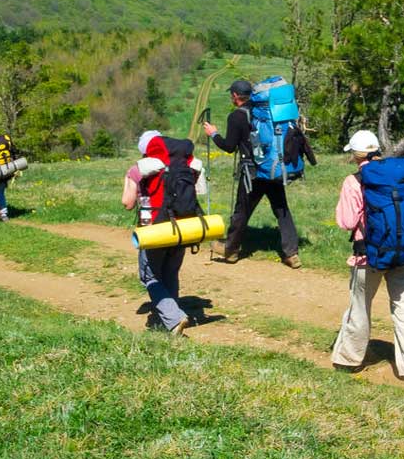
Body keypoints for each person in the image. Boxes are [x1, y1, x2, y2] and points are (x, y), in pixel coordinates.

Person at [330, 130, 404, 384]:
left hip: (370, 255)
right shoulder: (400, 176)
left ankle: (349, 359)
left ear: (355, 155)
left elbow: (346, 221)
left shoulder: (354, 181)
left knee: (360, 307)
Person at [203, 79, 302, 268]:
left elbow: (230, 147)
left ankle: (230, 250)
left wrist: (214, 134)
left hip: (253, 174)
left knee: (242, 211)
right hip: (272, 169)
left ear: (234, 96)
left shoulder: (237, 117)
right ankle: (292, 254)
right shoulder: (266, 113)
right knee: (282, 210)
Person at [121, 130, 208, 336]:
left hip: (155, 229)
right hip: (183, 227)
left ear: (145, 150)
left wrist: (130, 179)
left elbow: (127, 203)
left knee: (150, 277)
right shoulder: (189, 165)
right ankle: (171, 318)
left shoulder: (139, 169)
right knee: (170, 272)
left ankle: (174, 317)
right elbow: (198, 192)